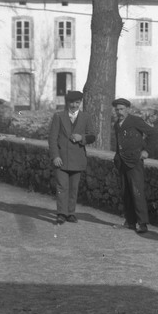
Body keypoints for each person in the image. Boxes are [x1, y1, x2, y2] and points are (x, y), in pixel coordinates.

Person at [48, 90, 97, 225]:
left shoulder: (85, 117)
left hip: (77, 159)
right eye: (72, 102)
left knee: (74, 188)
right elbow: (52, 138)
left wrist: (82, 137)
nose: (74, 105)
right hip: (61, 159)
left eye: (77, 102)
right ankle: (61, 214)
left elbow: (92, 136)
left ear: (80, 102)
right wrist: (55, 156)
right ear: (67, 102)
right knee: (62, 187)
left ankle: (71, 213)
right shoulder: (58, 116)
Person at [112, 98, 157, 234]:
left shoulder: (135, 120)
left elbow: (153, 133)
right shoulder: (117, 125)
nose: (119, 112)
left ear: (128, 109)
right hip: (122, 162)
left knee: (137, 192)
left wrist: (146, 151)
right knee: (125, 192)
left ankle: (142, 223)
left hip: (135, 162)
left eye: (122, 109)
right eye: (117, 109)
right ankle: (130, 222)